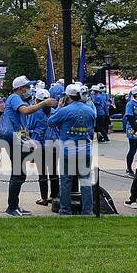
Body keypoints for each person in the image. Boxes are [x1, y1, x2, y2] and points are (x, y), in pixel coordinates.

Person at [0, 76, 47, 217]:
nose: (29, 89)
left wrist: (28, 141)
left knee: (20, 173)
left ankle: (14, 205)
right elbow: (25, 111)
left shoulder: (15, 99)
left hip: (17, 138)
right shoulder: (14, 98)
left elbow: (19, 124)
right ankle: (12, 207)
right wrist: (43, 104)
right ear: (20, 88)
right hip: (13, 139)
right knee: (18, 173)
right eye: (27, 87)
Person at [47, 83, 97, 215]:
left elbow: (51, 122)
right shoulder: (90, 110)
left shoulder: (65, 110)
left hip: (68, 151)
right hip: (85, 150)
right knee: (85, 182)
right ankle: (87, 211)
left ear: (67, 96)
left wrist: (59, 107)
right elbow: (91, 132)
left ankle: (65, 210)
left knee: (65, 182)